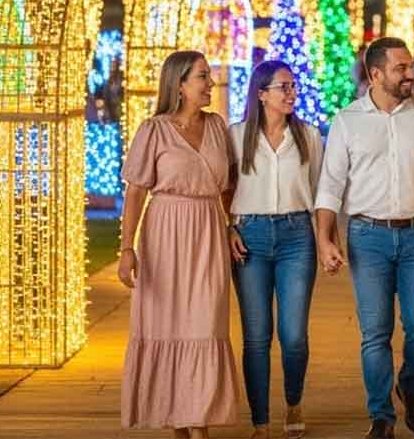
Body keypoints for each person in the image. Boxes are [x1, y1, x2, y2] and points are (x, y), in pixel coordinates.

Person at [315, 37, 414, 439]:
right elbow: (330, 187)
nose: (410, 73)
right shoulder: (348, 121)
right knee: (375, 331)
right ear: (375, 74)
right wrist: (325, 239)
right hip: (367, 236)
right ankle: (381, 415)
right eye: (402, 68)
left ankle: (411, 387)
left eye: (411, 65)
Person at [119, 51, 240, 437]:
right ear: (179, 84)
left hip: (207, 234)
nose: (210, 83)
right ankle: (180, 422)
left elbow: (229, 186)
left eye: (209, 76)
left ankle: (197, 420)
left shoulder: (218, 127)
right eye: (202, 76)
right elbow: (136, 193)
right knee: (166, 327)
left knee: (205, 325)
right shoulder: (153, 130)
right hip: (164, 236)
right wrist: (127, 249)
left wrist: (231, 224)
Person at [227, 60, 324, 439]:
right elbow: (223, 187)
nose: (291, 92)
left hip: (297, 236)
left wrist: (325, 239)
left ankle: (294, 402)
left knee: (294, 334)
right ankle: (260, 421)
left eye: (293, 86)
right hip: (249, 236)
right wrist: (228, 226)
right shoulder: (236, 136)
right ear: (261, 93)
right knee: (256, 336)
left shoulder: (309, 136)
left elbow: (320, 192)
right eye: (283, 86)